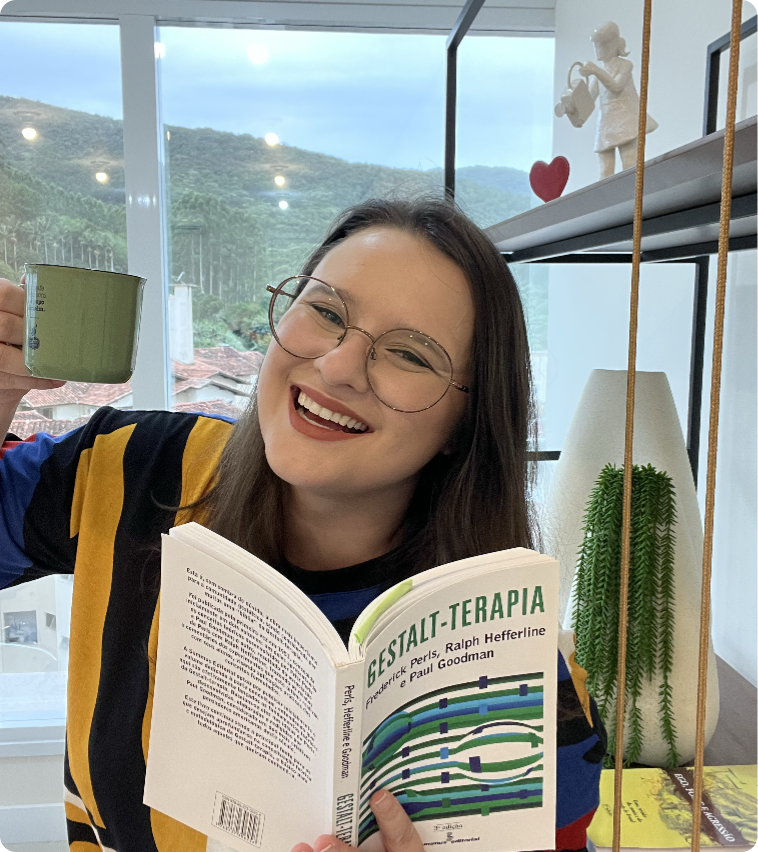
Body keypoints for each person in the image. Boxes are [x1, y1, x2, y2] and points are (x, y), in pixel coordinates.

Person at [0, 197, 606, 852]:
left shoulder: (515, 689)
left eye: (409, 355)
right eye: (325, 312)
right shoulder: (126, 469)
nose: (338, 367)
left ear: (465, 424)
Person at [578, 21, 658, 179]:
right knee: (605, 169)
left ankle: (629, 197)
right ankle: (606, 199)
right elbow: (589, 99)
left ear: (612, 45)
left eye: (601, 45)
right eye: (596, 46)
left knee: (630, 163)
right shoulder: (600, 72)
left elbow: (615, 86)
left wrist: (595, 70)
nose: (597, 50)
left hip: (626, 118)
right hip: (606, 121)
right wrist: (573, 107)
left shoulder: (625, 65)